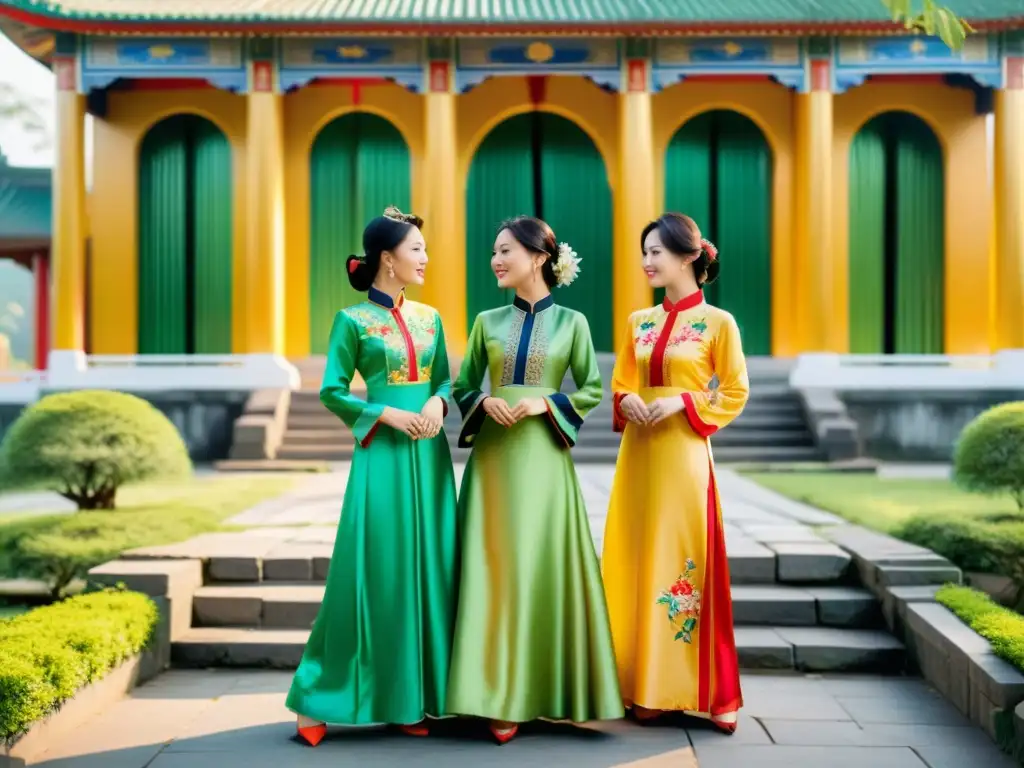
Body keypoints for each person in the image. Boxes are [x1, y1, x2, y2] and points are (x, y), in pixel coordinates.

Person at [445, 216, 623, 744]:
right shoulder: (486, 321)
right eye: (493, 252)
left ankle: (549, 690)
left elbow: (591, 388)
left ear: (540, 257)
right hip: (494, 465)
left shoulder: (573, 323)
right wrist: (485, 400)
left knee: (538, 566)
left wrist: (546, 403)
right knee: (492, 568)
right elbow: (461, 384)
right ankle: (493, 694)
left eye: (505, 251)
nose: (496, 261)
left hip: (544, 462)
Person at [287, 207, 459, 746]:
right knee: (374, 571)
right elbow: (331, 390)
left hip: (429, 459)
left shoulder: (431, 318)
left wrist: (435, 401)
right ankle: (319, 696)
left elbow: (450, 383)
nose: (426, 258)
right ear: (388, 259)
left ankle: (412, 698)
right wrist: (384, 413)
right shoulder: (352, 321)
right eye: (417, 250)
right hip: (381, 456)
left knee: (429, 570)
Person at [601, 212, 749, 734]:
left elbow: (733, 390)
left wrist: (684, 403)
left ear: (688, 256)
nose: (647, 261)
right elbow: (620, 382)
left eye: (656, 252)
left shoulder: (718, 323)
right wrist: (629, 402)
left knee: (684, 559)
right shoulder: (637, 324)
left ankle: (708, 692)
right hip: (640, 454)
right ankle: (642, 686)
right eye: (644, 252)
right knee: (637, 557)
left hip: (685, 455)